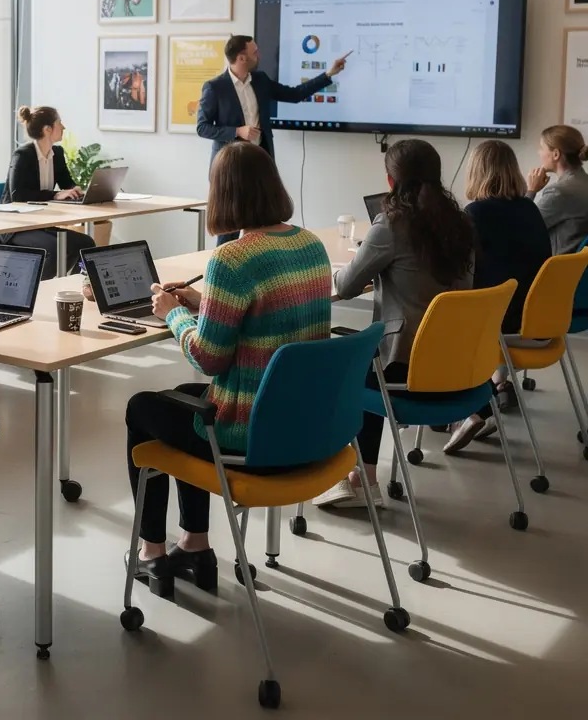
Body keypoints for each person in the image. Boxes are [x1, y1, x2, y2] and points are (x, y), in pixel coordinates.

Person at [125, 142, 331, 593]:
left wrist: (171, 313)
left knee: (143, 409)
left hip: (253, 433)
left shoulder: (231, 259)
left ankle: (151, 553)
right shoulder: (310, 244)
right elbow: (276, 315)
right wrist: (205, 303)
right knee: (183, 398)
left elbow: (209, 358)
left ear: (225, 193)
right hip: (308, 425)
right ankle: (195, 542)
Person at [314, 139, 474, 509]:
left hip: (407, 368)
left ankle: (361, 479)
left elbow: (347, 286)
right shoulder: (462, 223)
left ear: (390, 181)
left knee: (353, 361)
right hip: (457, 365)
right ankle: (359, 475)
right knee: (368, 356)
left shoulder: (389, 225)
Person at [443, 140, 552, 452]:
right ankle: (477, 404)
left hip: (504, 321)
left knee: (437, 322)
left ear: (476, 172)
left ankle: (466, 412)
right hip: (536, 319)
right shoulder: (528, 206)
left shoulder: (476, 212)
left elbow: (457, 270)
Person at [197, 35, 349, 245]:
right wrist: (237, 131)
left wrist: (329, 74)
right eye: (254, 52)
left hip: (259, 165)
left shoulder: (260, 80)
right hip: (230, 168)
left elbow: (295, 94)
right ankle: (222, 271)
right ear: (242, 58)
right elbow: (202, 127)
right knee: (229, 230)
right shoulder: (215, 87)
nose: (258, 55)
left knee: (264, 224)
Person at [1, 105, 96, 278]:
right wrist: (54, 195)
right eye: (60, 123)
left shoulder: (57, 153)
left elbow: (67, 184)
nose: (64, 127)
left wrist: (78, 190)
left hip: (40, 224)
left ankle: (73, 287)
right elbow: (18, 196)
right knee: (56, 248)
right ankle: (35, 293)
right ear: (47, 129)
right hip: (15, 226)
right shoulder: (22, 155)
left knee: (86, 243)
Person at [526, 124, 588, 255]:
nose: (539, 152)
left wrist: (531, 190)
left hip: (559, 271)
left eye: (542, 148)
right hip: (579, 270)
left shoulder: (559, 192)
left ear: (555, 154)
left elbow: (522, 227)